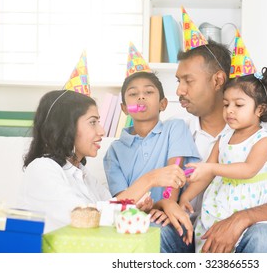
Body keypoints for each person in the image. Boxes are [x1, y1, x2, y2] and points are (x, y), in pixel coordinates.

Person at [159, 38, 267, 252]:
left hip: (253, 231)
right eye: (178, 81)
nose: (179, 91)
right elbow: (170, 187)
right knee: (155, 231)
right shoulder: (176, 130)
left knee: (265, 237)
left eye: (188, 81)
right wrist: (177, 201)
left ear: (217, 80)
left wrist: (242, 219)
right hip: (196, 232)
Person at [18, 89, 185, 233]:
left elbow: (108, 208)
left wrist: (132, 210)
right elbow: (84, 218)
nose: (102, 131)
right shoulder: (42, 168)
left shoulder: (83, 175)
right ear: (66, 127)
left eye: (99, 122)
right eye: (93, 122)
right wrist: (150, 179)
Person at [180, 67, 267, 252]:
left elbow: (248, 170)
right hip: (222, 201)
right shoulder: (224, 138)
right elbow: (206, 174)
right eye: (226, 104)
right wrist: (186, 196)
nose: (230, 111)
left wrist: (212, 168)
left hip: (252, 203)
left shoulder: (264, 140)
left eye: (238, 105)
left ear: (260, 109)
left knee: (250, 241)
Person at [103, 43, 200, 227]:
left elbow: (175, 174)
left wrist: (168, 203)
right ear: (124, 108)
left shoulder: (175, 128)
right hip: (134, 220)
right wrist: (151, 206)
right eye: (133, 94)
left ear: (163, 104)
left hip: (168, 218)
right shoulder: (114, 152)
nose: (141, 97)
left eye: (148, 92)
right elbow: (123, 202)